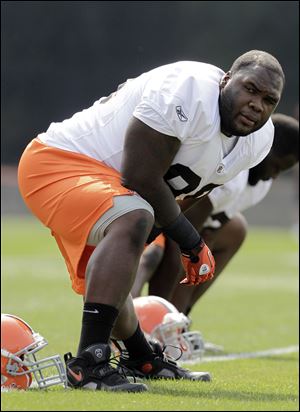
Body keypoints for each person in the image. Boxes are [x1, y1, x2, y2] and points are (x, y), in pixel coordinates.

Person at [17, 50, 284, 392]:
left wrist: (160, 243)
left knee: (113, 285)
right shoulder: (187, 90)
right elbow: (139, 177)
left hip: (113, 189)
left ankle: (140, 358)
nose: (256, 104)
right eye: (250, 89)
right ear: (226, 80)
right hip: (58, 162)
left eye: (268, 100)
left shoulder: (258, 141)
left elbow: (182, 197)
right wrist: (193, 242)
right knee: (135, 215)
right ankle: (88, 363)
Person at [131, 113, 299, 318]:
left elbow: (206, 235)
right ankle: (128, 323)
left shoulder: (259, 187)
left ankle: (180, 318)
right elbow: (182, 236)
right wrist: (163, 313)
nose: (273, 176)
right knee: (151, 256)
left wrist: (179, 315)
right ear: (263, 148)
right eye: (276, 166)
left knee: (235, 230)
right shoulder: (232, 170)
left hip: (178, 220)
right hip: (151, 210)